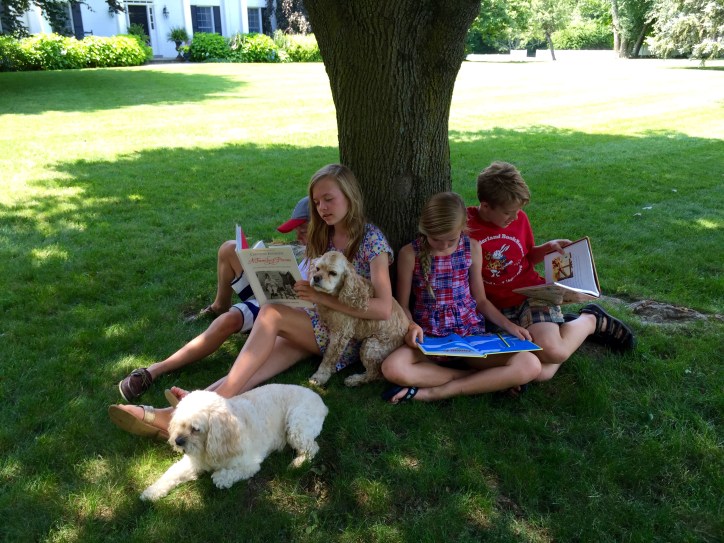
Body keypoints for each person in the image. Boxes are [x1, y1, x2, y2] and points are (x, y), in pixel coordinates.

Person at [109, 164, 395, 439]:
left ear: (349, 196)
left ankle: (199, 409)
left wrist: (318, 298)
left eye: (328, 199)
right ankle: (176, 416)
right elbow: (314, 281)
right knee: (252, 369)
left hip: (343, 337)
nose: (321, 208)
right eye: (317, 202)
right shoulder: (324, 233)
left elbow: (383, 309)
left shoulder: (371, 240)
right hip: (312, 320)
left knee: (270, 314)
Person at [116, 196, 310, 402]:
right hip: (276, 299)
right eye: (296, 231)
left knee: (233, 320)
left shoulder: (329, 257)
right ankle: (155, 369)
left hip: (292, 317)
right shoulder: (312, 249)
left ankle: (187, 393)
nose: (298, 236)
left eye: (303, 231)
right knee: (229, 249)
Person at [466, 161, 635, 383]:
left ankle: (590, 319)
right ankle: (564, 329)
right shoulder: (466, 226)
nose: (515, 218)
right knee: (542, 372)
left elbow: (527, 257)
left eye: (518, 211)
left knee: (555, 352)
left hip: (531, 296)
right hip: (494, 309)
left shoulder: (519, 219)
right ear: (486, 206)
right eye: (508, 213)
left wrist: (548, 248)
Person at [380, 192, 542, 404]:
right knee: (392, 368)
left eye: (451, 240)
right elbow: (402, 305)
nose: (443, 246)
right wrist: (411, 326)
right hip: (430, 339)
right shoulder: (410, 254)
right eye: (436, 239)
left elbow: (481, 300)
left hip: (470, 338)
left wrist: (510, 326)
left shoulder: (472, 247)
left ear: (463, 227)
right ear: (424, 229)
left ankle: (437, 392)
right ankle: (478, 380)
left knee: (530, 364)